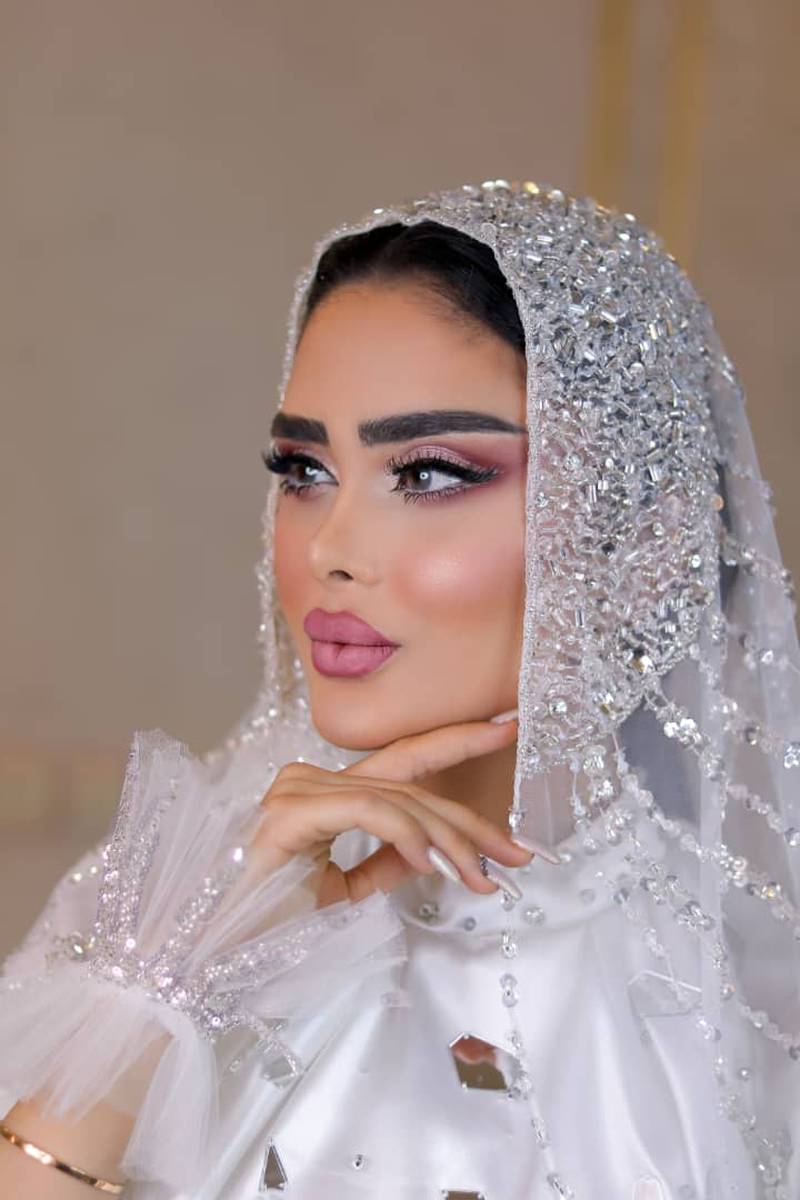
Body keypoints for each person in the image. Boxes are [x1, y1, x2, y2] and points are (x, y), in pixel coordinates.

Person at [0, 178, 797, 1200]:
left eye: (427, 474)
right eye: (303, 470)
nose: (328, 549)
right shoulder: (162, 912)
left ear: (640, 553)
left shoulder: (727, 1009)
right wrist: (180, 979)